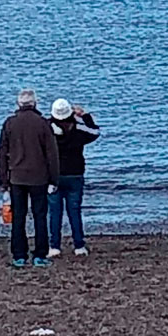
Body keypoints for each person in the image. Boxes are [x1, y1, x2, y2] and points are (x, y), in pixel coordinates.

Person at [0, 89, 60, 268]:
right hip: (39, 178)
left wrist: (3, 182)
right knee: (40, 217)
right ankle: (40, 255)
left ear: (19, 104)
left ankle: (19, 255)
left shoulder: (9, 123)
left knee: (19, 217)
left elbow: (2, 154)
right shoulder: (42, 124)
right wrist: (54, 180)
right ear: (35, 103)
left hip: (16, 178)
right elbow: (51, 154)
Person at [47, 99, 100, 258]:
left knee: (54, 212)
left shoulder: (47, 129)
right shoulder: (77, 128)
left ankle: (54, 246)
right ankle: (79, 245)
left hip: (54, 174)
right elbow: (95, 132)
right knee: (74, 211)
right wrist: (84, 115)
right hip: (75, 173)